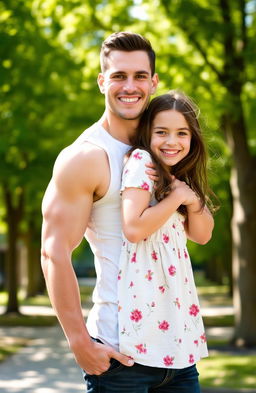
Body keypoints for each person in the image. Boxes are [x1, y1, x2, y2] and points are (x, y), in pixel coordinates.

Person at [41, 31, 159, 386]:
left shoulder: (169, 144)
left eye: (140, 76)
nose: (130, 86)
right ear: (101, 81)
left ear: (154, 82)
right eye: (119, 76)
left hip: (177, 349)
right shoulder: (86, 157)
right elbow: (54, 251)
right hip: (121, 353)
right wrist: (80, 342)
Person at [117, 91, 214, 391]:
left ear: (192, 139)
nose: (172, 141)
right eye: (162, 132)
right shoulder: (141, 160)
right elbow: (134, 228)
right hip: (140, 343)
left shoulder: (178, 176)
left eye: (181, 133)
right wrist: (176, 198)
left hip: (177, 341)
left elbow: (202, 234)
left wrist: (190, 197)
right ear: (148, 133)